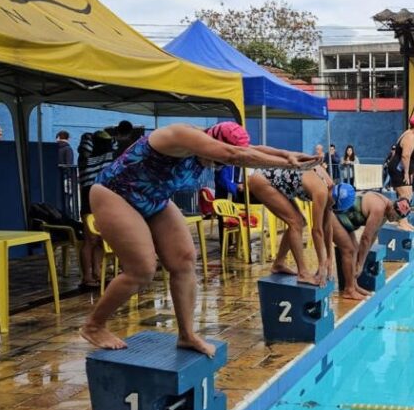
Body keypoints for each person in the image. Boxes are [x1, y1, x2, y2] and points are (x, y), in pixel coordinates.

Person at [80, 122, 321, 355]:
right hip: (115, 193)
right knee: (142, 270)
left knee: (185, 260)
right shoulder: (181, 134)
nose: (216, 165)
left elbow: (249, 150)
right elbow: (235, 154)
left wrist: (289, 155)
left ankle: (186, 335)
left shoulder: (211, 147)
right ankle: (94, 325)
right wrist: (289, 166)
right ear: (212, 141)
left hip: (154, 199)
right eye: (217, 160)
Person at [249, 164, 335, 285]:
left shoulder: (331, 188)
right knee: (296, 222)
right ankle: (302, 273)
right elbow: (317, 230)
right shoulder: (322, 191)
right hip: (262, 180)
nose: (331, 207)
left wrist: (330, 258)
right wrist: (321, 263)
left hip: (277, 183)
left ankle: (278, 264)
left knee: (299, 221)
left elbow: (327, 226)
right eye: (333, 205)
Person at [331, 187, 412, 300]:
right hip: (333, 216)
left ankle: (353, 285)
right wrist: (360, 263)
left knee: (354, 248)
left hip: (345, 219)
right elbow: (365, 238)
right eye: (396, 216)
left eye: (398, 219)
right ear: (393, 206)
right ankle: (349, 290)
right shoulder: (379, 209)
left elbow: (373, 236)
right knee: (349, 250)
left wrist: (360, 262)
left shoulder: (386, 210)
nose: (394, 220)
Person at [77, 131, 117, 289]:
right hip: (90, 200)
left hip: (103, 200)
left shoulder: (108, 152)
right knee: (90, 240)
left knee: (100, 239)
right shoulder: (86, 156)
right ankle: (87, 276)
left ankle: (97, 271)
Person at [386, 115, 414, 231]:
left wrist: (410, 173)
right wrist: (406, 173)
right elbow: (405, 155)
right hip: (399, 170)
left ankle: (404, 221)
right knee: (405, 196)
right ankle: (401, 222)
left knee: (408, 195)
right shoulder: (409, 137)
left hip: (401, 170)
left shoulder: (410, 135)